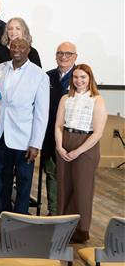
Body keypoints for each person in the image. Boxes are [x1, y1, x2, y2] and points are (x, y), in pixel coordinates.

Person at [0, 37, 49, 216]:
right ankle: (4, 215)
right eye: (13, 46)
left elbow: (41, 113)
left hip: (25, 139)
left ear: (29, 50)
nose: (17, 49)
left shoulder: (39, 75)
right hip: (0, 134)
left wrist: (36, 144)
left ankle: (21, 218)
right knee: (1, 179)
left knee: (24, 181)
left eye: (21, 47)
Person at [55, 64, 107, 243]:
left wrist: (78, 151)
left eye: (83, 77)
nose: (79, 81)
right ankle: (62, 223)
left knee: (82, 188)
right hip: (65, 141)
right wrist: (59, 146)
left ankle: (81, 230)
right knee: (64, 186)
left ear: (90, 78)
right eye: (76, 77)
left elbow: (98, 132)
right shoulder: (65, 98)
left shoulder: (97, 100)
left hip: (86, 144)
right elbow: (58, 125)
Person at [42, 42, 77, 216]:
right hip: (49, 134)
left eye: (68, 54)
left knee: (72, 177)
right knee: (52, 173)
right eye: (60, 53)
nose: (64, 57)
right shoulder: (47, 76)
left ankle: (70, 214)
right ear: (55, 56)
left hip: (74, 136)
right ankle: (53, 211)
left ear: (75, 57)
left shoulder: (81, 76)